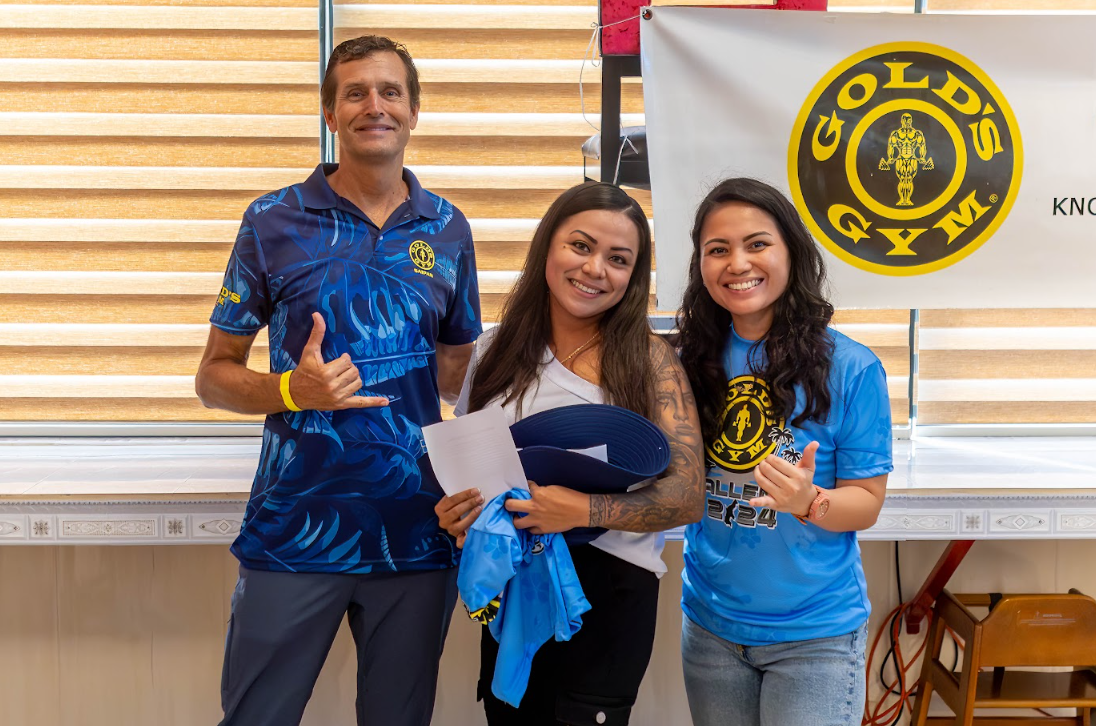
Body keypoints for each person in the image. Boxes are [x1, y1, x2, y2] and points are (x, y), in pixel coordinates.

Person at [194, 35, 481, 726]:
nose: (373, 106)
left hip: (418, 532)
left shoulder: (448, 230)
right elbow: (214, 377)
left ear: (414, 112)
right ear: (331, 113)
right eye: (355, 92)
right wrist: (296, 390)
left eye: (389, 92)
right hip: (295, 530)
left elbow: (458, 379)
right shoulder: (272, 222)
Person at [434, 181, 705, 726]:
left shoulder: (651, 361)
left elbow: (687, 495)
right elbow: (472, 470)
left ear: (634, 274)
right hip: (511, 589)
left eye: (618, 258)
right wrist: (458, 515)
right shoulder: (494, 351)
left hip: (610, 597)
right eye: (580, 246)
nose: (595, 268)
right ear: (547, 248)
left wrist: (582, 512)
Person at [674, 178, 893, 726]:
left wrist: (808, 500)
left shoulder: (851, 366)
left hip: (815, 636)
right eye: (717, 249)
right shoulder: (685, 359)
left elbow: (866, 503)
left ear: (791, 252)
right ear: (701, 264)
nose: (737, 262)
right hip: (710, 628)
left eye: (757, 243)